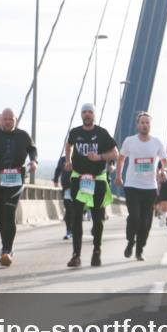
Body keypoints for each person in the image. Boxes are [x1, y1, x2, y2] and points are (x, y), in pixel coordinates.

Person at [0, 108, 37, 266]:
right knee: (1, 215)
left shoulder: (23, 135)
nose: (8, 122)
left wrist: (34, 161)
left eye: (11, 119)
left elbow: (32, 149)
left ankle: (7, 250)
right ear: (1, 120)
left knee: (9, 212)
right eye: (5, 119)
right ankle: (5, 245)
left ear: (15, 120)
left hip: (16, 178)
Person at [64, 103, 117, 267]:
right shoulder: (75, 132)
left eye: (90, 112)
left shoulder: (102, 133)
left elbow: (115, 153)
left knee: (97, 218)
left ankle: (96, 251)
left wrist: (100, 157)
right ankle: (76, 255)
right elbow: (69, 145)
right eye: (84, 112)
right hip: (79, 179)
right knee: (76, 216)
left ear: (94, 115)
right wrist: (68, 160)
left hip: (97, 180)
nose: (87, 115)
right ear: (81, 115)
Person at [115, 111, 167, 261]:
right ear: (138, 125)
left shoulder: (157, 142)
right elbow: (121, 159)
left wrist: (164, 170)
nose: (145, 125)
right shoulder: (129, 141)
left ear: (150, 125)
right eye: (142, 122)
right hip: (132, 185)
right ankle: (130, 241)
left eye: (147, 123)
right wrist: (118, 176)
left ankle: (140, 249)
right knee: (135, 218)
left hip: (150, 187)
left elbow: (165, 161)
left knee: (146, 222)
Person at [53, 155, 72, 240]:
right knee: (68, 210)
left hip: (79, 188)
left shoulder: (81, 157)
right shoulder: (63, 159)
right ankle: (69, 231)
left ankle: (75, 230)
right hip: (67, 188)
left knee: (77, 211)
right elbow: (58, 169)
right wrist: (56, 180)